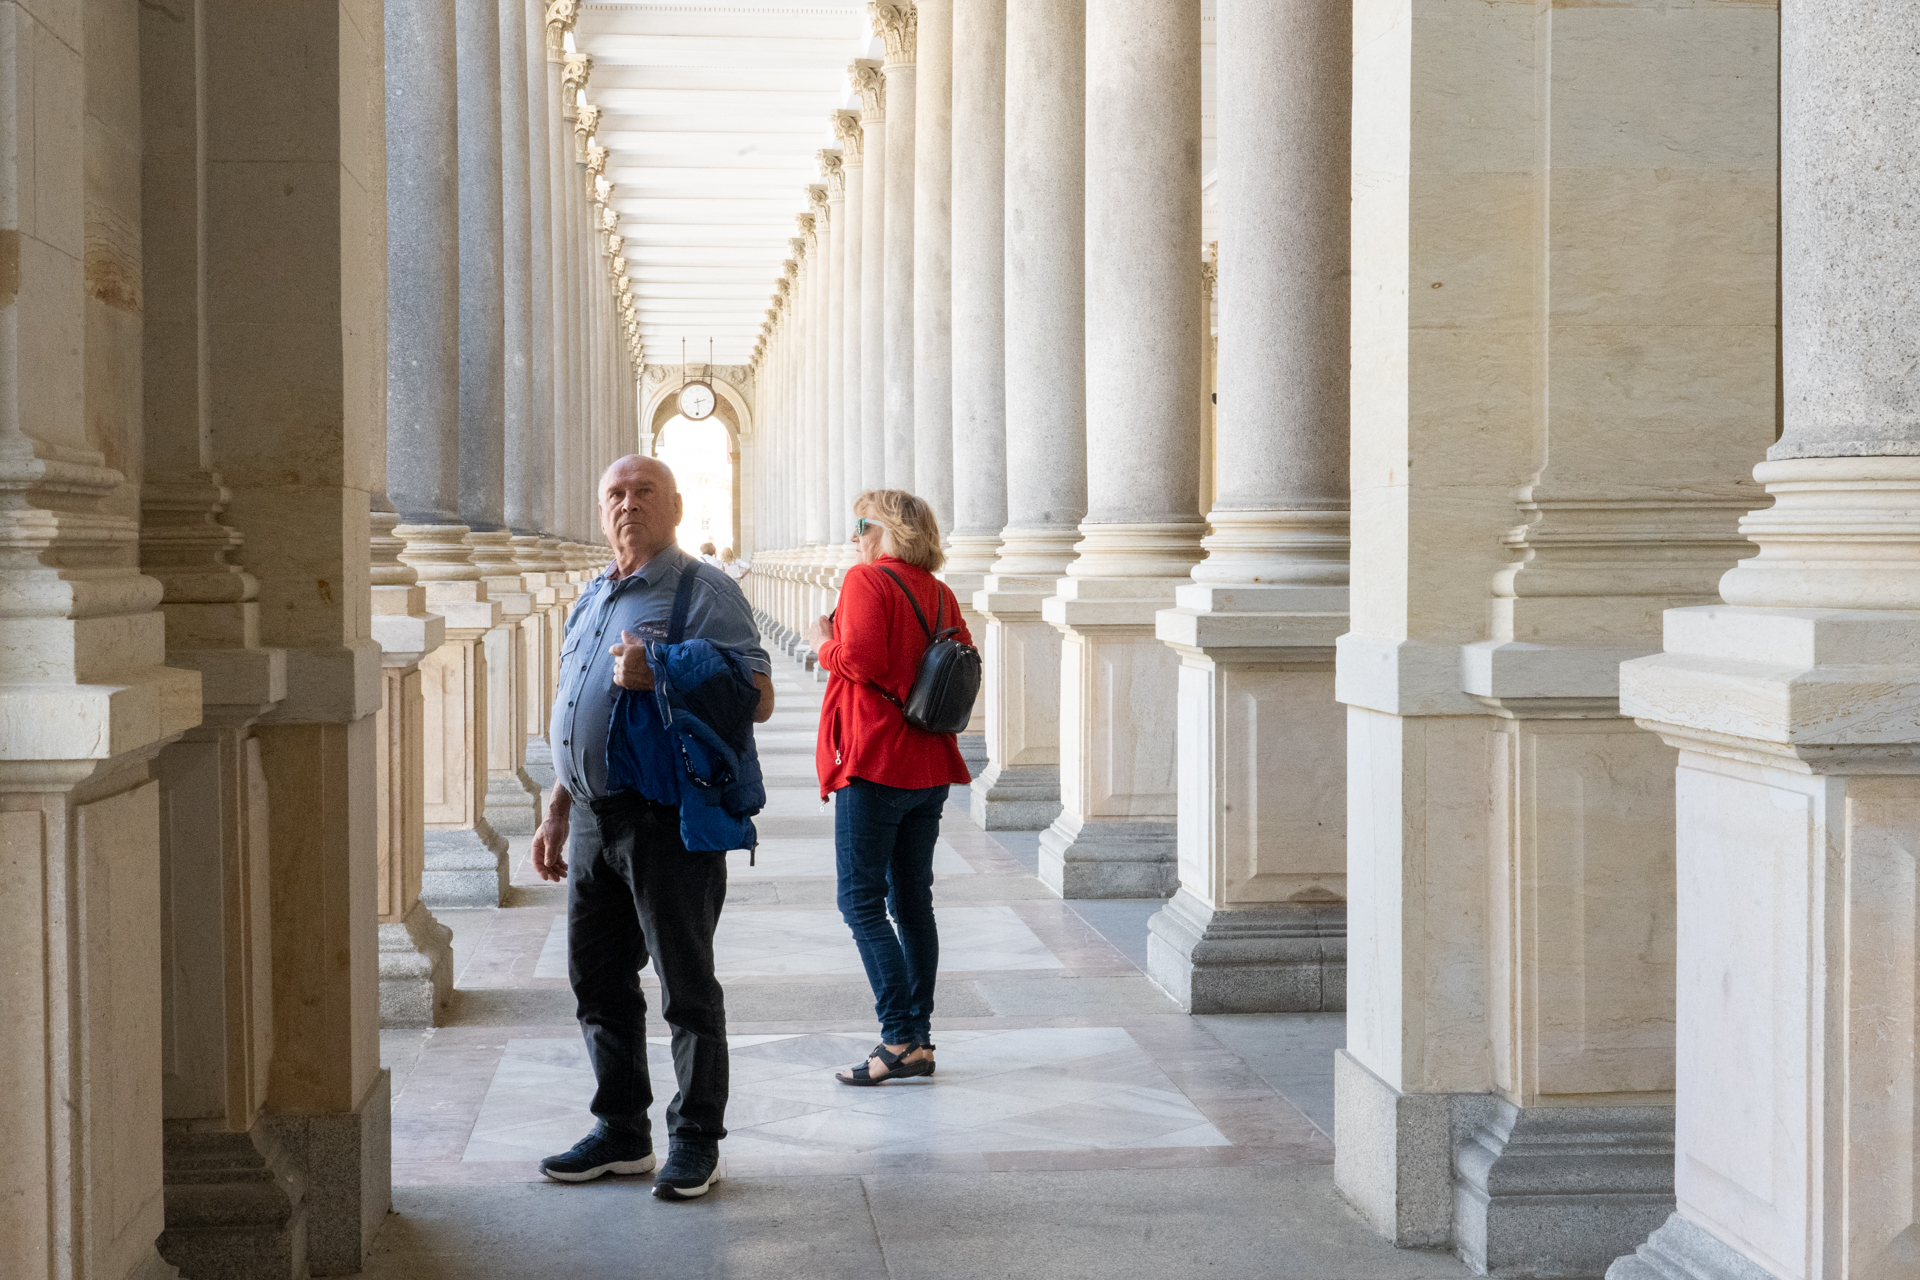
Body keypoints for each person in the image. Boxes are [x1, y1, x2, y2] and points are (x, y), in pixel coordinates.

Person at [533, 455, 776, 1199]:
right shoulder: (594, 594)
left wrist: (661, 668)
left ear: (674, 506)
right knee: (597, 981)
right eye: (615, 493)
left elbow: (758, 694)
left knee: (685, 986)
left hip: (665, 817)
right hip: (591, 819)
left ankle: (696, 1138)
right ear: (599, 507)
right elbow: (576, 704)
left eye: (644, 492)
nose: (628, 504)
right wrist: (558, 801)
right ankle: (622, 1131)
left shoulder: (702, 589)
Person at [804, 489, 971, 1086]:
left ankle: (898, 1036)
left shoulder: (866, 581)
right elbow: (962, 661)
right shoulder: (941, 592)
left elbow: (863, 659)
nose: (854, 536)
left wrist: (823, 641)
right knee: (912, 902)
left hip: (875, 762)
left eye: (862, 525)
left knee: (861, 902)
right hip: (929, 763)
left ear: (891, 531)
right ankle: (919, 1041)